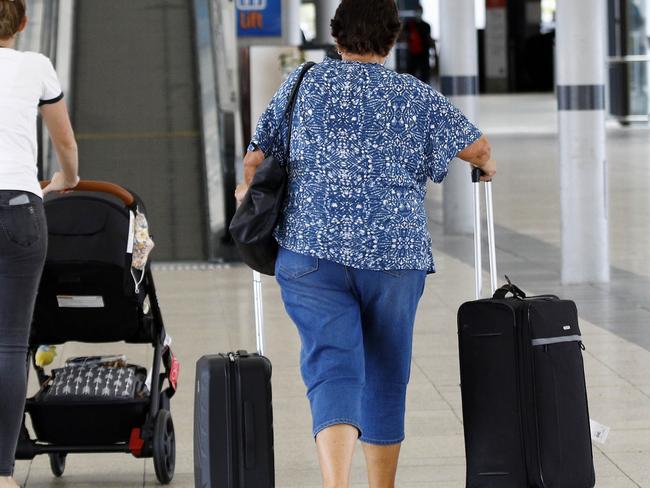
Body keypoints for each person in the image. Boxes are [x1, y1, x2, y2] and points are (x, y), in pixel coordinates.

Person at [236, 0, 495, 486]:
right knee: (385, 371)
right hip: (394, 259)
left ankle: (336, 484)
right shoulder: (414, 96)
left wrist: (247, 192)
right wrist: (487, 165)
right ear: (392, 39)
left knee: (332, 366)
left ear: (336, 38)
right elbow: (477, 148)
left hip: (310, 254)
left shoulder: (301, 85)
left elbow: (254, 162)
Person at [0, 1, 79, 486]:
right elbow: (65, 143)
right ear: (24, 22)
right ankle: (1, 472)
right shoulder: (36, 66)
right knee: (9, 345)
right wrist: (66, 179)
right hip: (19, 210)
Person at [405, 3, 435, 84]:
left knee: (424, 75)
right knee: (411, 75)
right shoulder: (409, 24)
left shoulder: (426, 26)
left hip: (423, 53)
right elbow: (404, 36)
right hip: (413, 53)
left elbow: (428, 39)